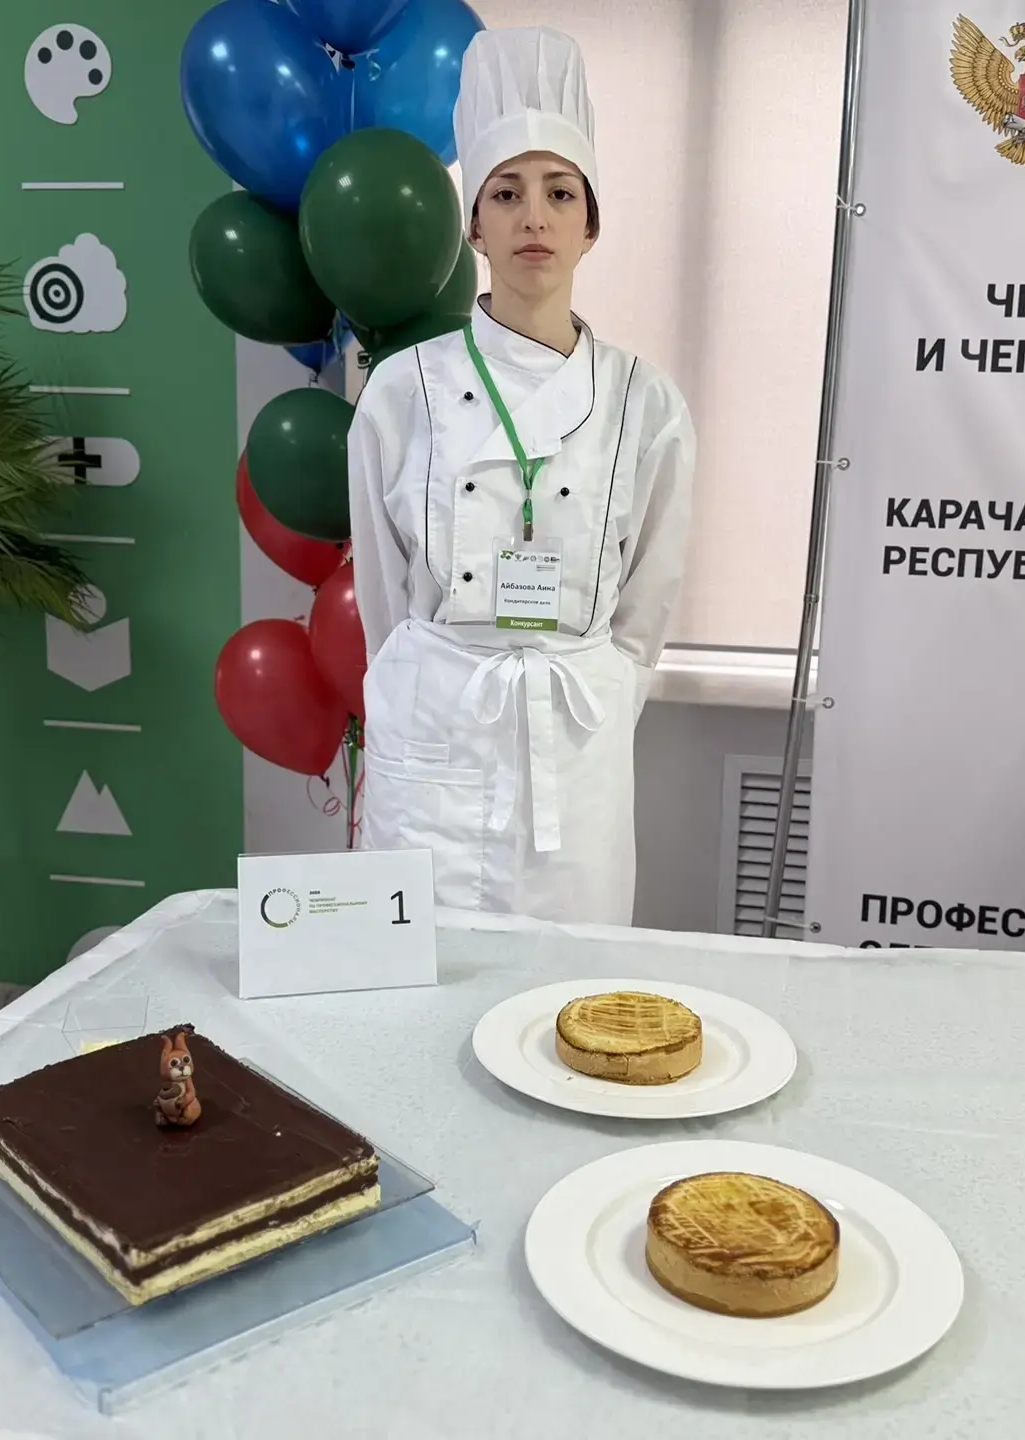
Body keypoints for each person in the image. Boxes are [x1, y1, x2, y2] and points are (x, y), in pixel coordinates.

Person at [347, 27, 696, 924]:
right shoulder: (402, 392)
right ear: (475, 224)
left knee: (571, 986)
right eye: (506, 193)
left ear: (591, 224)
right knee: (419, 975)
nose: (533, 217)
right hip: (434, 737)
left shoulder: (646, 404)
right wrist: (420, 693)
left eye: (559, 193)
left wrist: (594, 700)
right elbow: (385, 605)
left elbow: (644, 619)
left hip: (571, 757)